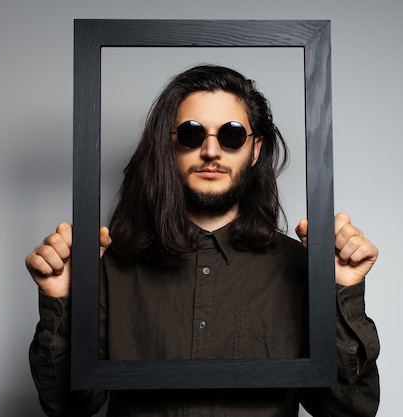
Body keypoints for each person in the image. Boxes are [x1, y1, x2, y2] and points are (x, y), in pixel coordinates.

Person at [26, 65, 380, 417]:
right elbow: (68, 407)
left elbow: (349, 410)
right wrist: (63, 301)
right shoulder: (111, 265)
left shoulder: (300, 267)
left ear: (254, 150)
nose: (211, 151)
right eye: (193, 133)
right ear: (169, 145)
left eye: (232, 135)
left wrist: (341, 294)